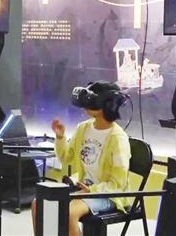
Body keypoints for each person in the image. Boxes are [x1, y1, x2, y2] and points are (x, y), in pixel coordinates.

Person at [31, 81, 131, 236]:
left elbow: (118, 183)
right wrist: (60, 137)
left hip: (108, 195)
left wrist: (92, 190)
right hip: (83, 189)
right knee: (39, 203)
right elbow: (66, 157)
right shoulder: (83, 128)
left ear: (106, 105)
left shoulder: (118, 138)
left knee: (69, 213)